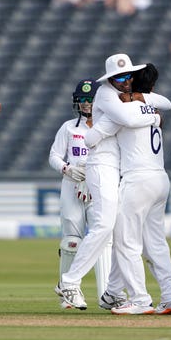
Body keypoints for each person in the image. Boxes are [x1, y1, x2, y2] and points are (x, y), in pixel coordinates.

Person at [55, 53, 167, 310]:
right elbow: (124, 120)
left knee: (119, 232)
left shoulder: (123, 94)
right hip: (102, 163)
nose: (125, 81)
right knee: (104, 226)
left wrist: (143, 99)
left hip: (115, 165)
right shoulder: (106, 94)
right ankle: (69, 282)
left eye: (128, 76)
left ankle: (113, 292)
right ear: (110, 79)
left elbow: (167, 102)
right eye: (119, 77)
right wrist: (154, 116)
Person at [84, 64, 171, 315]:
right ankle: (170, 295)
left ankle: (140, 299)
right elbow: (165, 105)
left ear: (133, 85)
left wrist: (94, 127)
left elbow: (92, 138)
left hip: (137, 179)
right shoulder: (153, 107)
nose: (124, 82)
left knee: (126, 243)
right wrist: (154, 116)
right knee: (155, 243)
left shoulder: (125, 109)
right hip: (160, 179)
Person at [48, 78, 112, 308]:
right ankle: (68, 292)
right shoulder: (68, 127)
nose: (86, 104)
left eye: (90, 100)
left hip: (98, 184)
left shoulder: (108, 126)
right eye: (82, 100)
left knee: (103, 236)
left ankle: (107, 295)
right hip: (71, 184)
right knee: (72, 240)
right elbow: (54, 156)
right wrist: (67, 168)